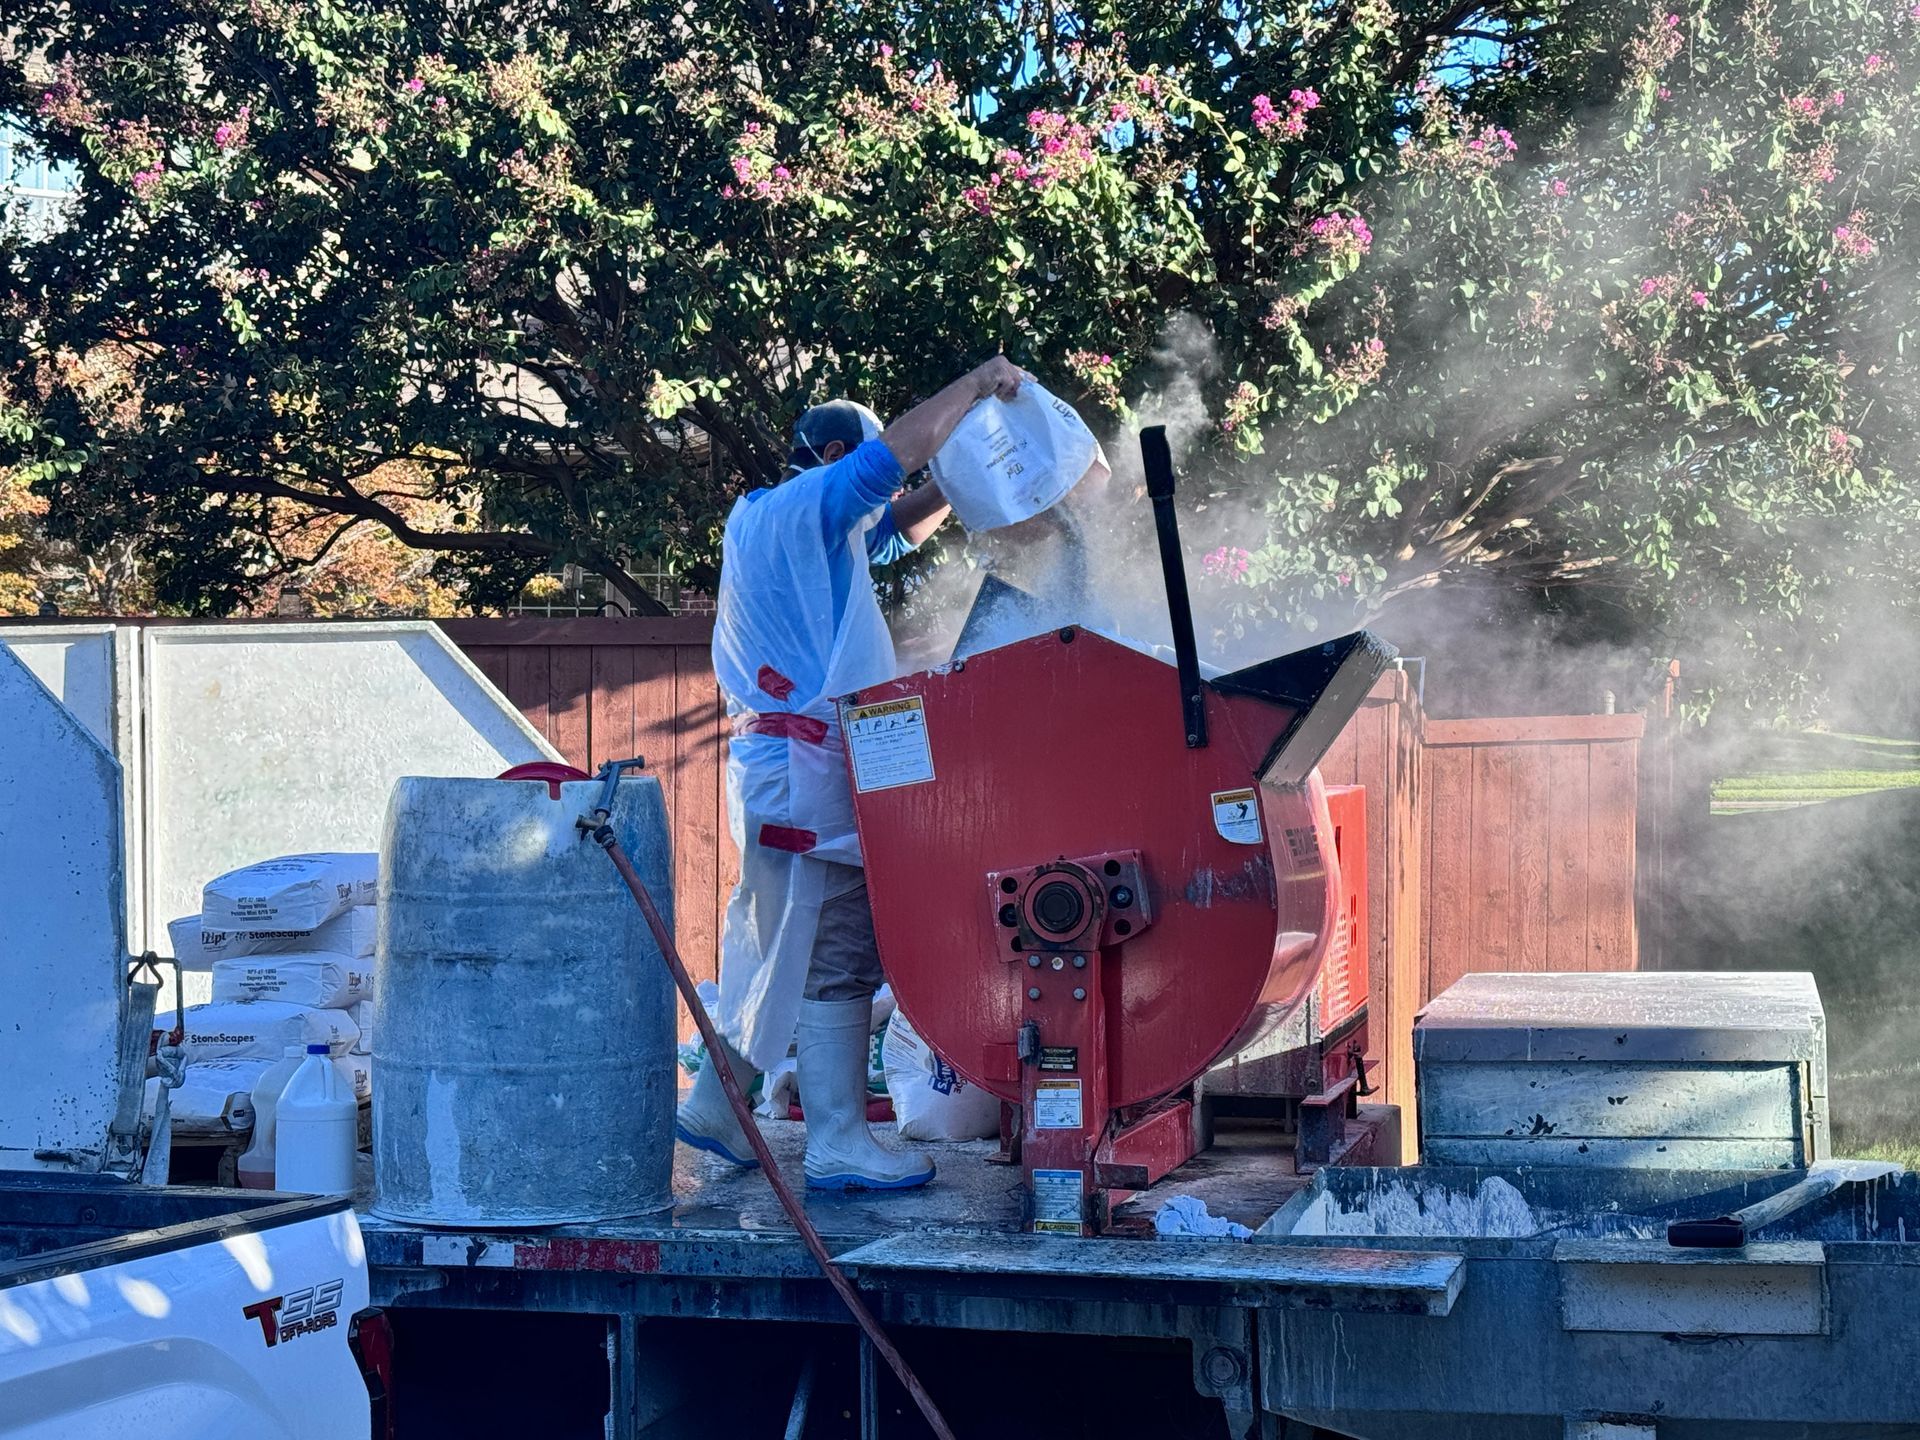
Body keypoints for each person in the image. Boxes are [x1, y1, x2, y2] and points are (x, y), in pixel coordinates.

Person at [678, 355, 1032, 1190]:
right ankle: (838, 1138)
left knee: (779, 943)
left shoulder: (780, 521)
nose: (881, 491)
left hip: (785, 766)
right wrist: (975, 384)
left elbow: (895, 524)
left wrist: (957, 474)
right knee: (837, 942)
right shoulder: (806, 506)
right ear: (835, 458)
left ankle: (716, 1106)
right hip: (805, 772)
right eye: (869, 473)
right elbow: (884, 469)